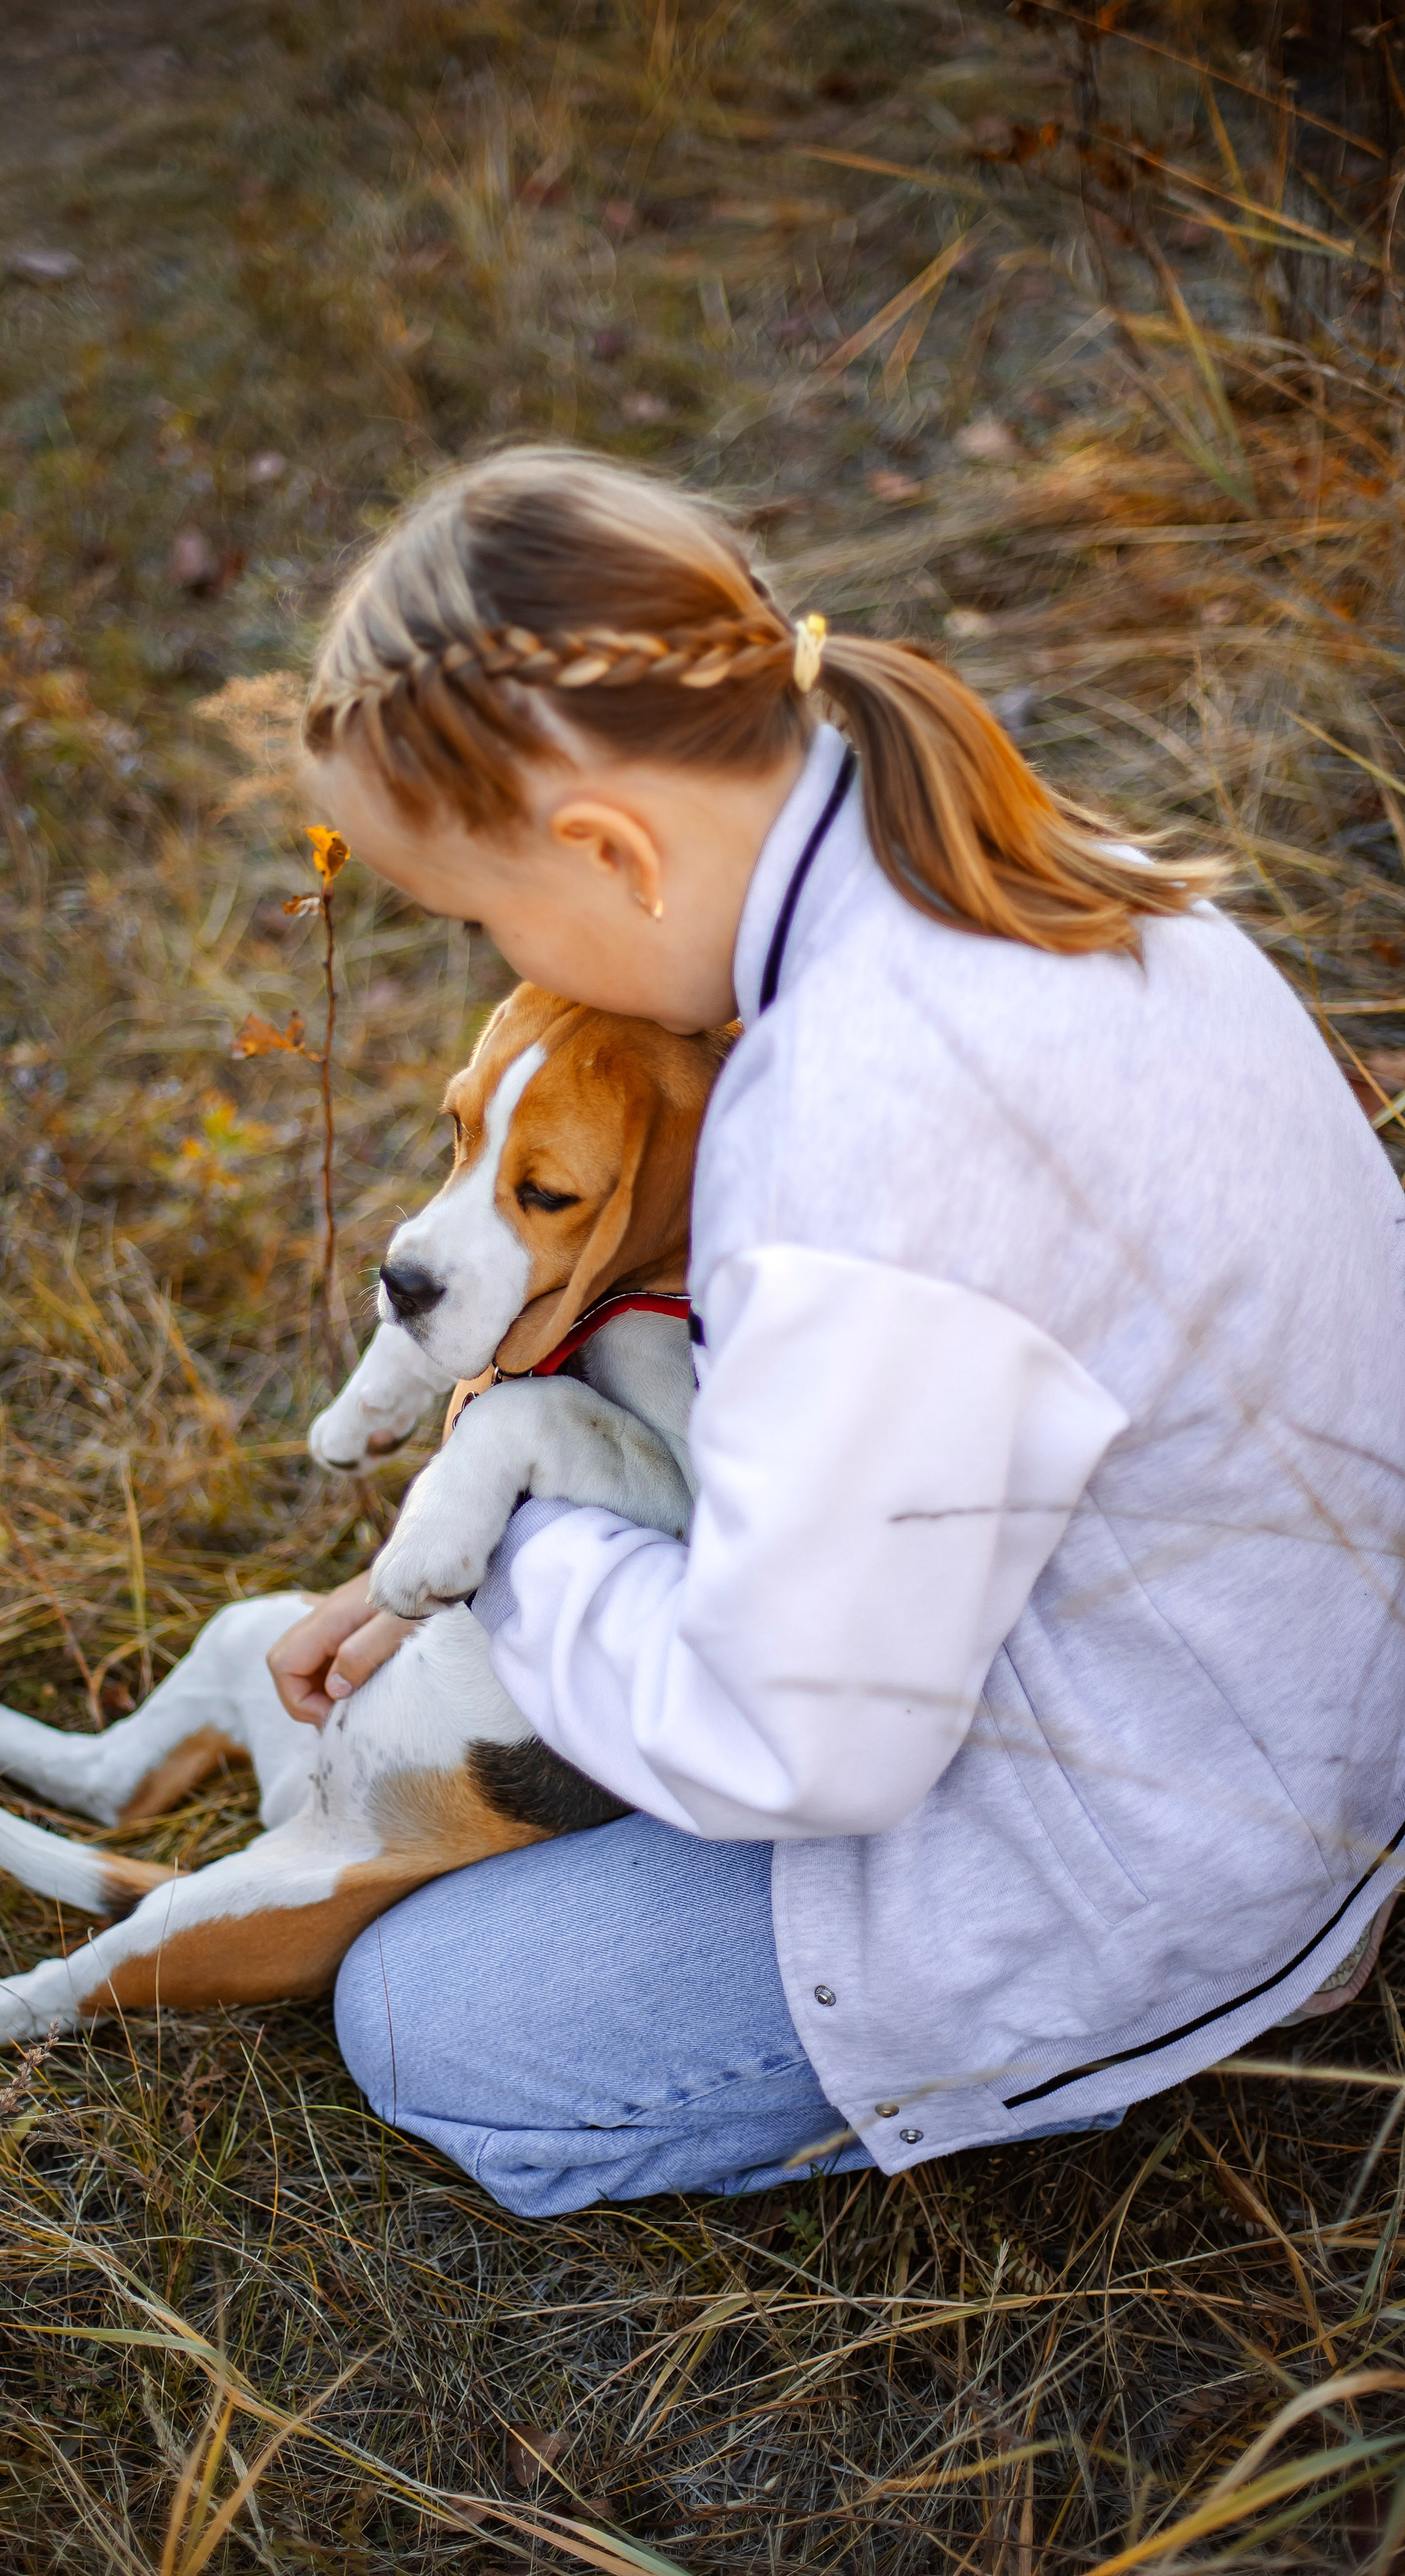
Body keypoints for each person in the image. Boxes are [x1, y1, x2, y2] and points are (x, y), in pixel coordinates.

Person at [265, 446, 1405, 2218]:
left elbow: (789, 1743)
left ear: (609, 851)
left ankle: (1137, 2029)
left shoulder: (849, 1125)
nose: (496, 951)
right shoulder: (1021, 854)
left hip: (1194, 1853)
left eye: (478, 914)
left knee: (422, 2014)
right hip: (1299, 1688)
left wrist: (511, 1560)